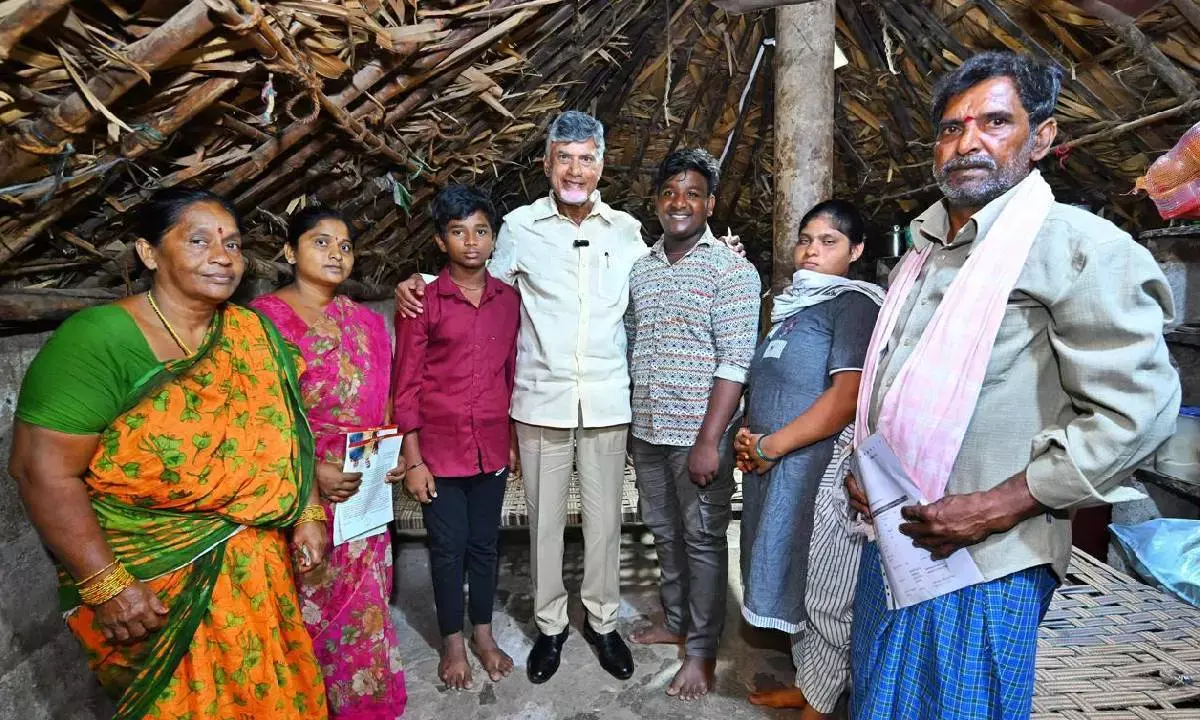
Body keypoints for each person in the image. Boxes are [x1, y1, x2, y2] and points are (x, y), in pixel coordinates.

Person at [845, 51, 1181, 719]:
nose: (967, 142)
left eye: (995, 122)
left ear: (1042, 138)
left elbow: (1137, 412)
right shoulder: (925, 253)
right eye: (951, 128)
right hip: (899, 541)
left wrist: (999, 504)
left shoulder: (1078, 248)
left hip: (986, 559)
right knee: (882, 701)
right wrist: (876, 476)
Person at [8, 188, 329, 718]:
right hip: (152, 581)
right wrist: (107, 584)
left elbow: (289, 433)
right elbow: (40, 471)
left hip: (255, 567)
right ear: (149, 252)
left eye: (233, 243)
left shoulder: (253, 333)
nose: (223, 256)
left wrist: (309, 510)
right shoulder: (99, 339)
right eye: (199, 240)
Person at [249, 207, 407, 718]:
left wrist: (390, 454)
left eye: (344, 246)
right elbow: (257, 415)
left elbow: (382, 400)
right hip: (298, 486)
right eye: (321, 243)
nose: (336, 254)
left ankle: (366, 701)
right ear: (290, 253)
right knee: (306, 599)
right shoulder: (262, 322)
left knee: (366, 600)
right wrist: (312, 471)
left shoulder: (365, 319)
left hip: (363, 483)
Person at [732, 200, 883, 718]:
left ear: (856, 250)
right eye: (806, 239)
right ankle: (810, 685)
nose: (812, 251)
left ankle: (820, 705)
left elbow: (845, 398)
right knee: (795, 575)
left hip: (819, 473)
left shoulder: (855, 306)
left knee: (826, 586)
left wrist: (772, 446)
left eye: (829, 241)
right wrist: (748, 440)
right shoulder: (793, 306)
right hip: (777, 469)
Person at [623, 149, 760, 701]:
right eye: (670, 192)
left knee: (703, 540)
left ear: (710, 203)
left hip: (699, 438)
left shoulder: (732, 270)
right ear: (657, 201)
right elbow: (633, 343)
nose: (680, 202)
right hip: (648, 431)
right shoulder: (642, 268)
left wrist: (710, 441)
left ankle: (702, 651)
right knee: (664, 533)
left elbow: (736, 361)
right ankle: (676, 621)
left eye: (693, 193)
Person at [391, 185, 521, 691]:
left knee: (486, 546)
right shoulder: (422, 301)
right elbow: (407, 383)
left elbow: (510, 375)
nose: (471, 242)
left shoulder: (508, 301)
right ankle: (451, 640)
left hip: (489, 445)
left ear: (494, 239)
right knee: (447, 548)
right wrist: (414, 458)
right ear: (440, 240)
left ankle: (483, 635)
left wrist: (508, 440)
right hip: (439, 454)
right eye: (458, 231)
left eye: (481, 231)